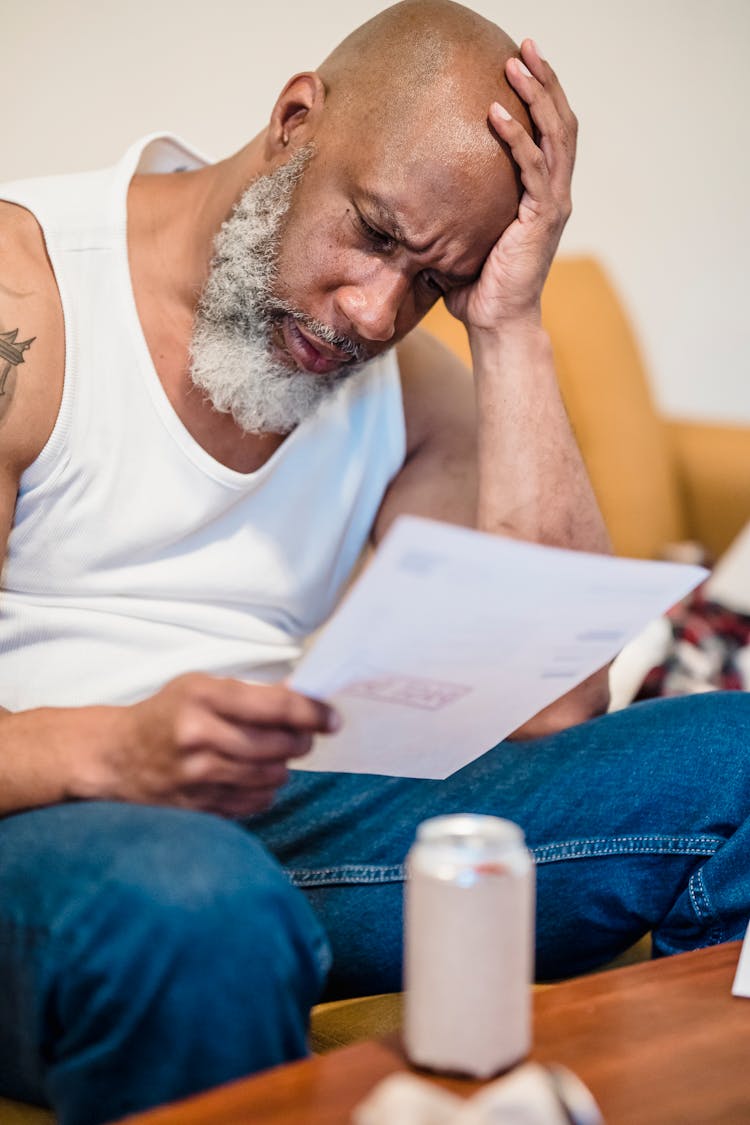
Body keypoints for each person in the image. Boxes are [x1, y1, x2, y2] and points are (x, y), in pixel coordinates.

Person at [0, 1, 748, 1122]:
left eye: (431, 285)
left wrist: (508, 323)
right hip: (57, 824)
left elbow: (559, 704)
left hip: (286, 808)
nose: (370, 312)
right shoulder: (32, 306)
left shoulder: (408, 381)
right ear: (296, 120)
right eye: (376, 236)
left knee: (738, 762)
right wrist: (117, 746)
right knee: (203, 907)